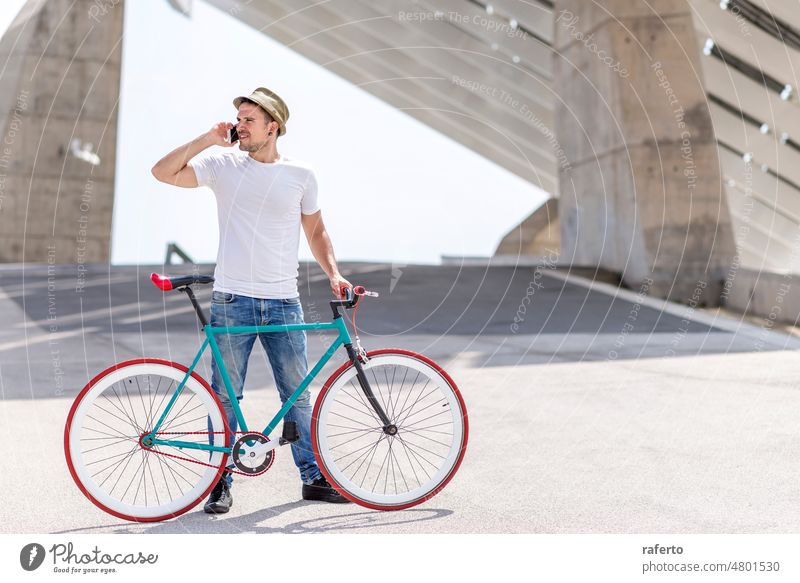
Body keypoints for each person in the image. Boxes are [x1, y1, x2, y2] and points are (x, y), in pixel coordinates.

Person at [151, 86, 352, 513]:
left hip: (283, 300)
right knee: (223, 397)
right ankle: (218, 482)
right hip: (232, 298)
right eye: (238, 118)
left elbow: (316, 232)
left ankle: (313, 478)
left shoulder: (301, 174)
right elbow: (162, 172)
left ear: (273, 126)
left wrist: (333, 273)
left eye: (249, 120)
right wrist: (207, 138)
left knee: (297, 394)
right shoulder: (223, 164)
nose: (240, 126)